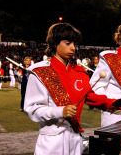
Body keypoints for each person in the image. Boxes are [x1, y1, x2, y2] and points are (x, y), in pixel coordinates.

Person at [24, 23, 116, 155]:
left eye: (74, 44)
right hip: (51, 141)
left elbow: (92, 97)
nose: (73, 48)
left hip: (75, 139)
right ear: (55, 44)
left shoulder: (80, 72)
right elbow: (33, 109)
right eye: (68, 43)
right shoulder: (40, 72)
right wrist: (60, 111)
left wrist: (119, 103)